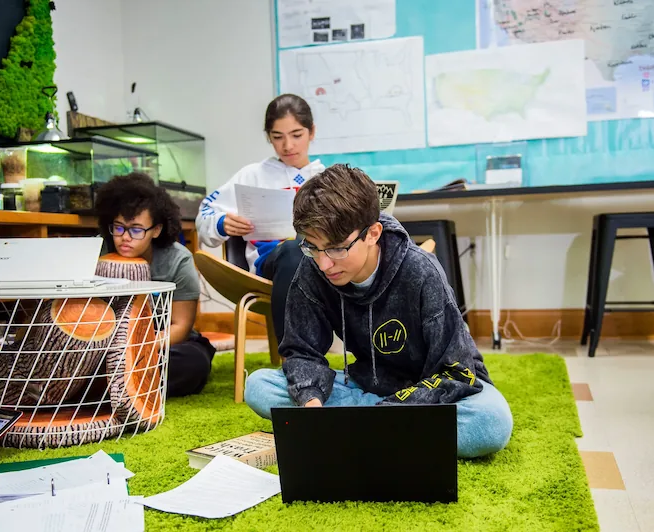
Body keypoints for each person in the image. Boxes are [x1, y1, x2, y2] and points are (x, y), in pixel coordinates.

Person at [244, 164, 513, 458]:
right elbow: (302, 351)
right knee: (259, 386)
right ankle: (379, 430)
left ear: (373, 233)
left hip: (431, 396)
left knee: (491, 422)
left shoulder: (421, 271)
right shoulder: (313, 266)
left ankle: (362, 427)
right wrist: (311, 406)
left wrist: (393, 409)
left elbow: (457, 371)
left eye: (336, 249)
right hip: (367, 388)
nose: (324, 264)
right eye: (313, 247)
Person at [195, 94, 325, 342]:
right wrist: (223, 223)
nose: (288, 146)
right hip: (271, 266)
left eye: (296, 135)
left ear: (312, 132)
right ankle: (294, 358)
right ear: (268, 136)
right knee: (293, 250)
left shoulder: (326, 177)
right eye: (277, 137)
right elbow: (204, 216)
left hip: (325, 266)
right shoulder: (253, 175)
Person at [95, 173, 215, 397]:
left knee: (193, 363)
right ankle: (122, 384)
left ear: (156, 230)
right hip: (105, 345)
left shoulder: (178, 260)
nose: (125, 237)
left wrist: (136, 348)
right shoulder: (98, 253)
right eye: (119, 227)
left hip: (160, 344)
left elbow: (180, 327)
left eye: (137, 229)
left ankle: (108, 387)